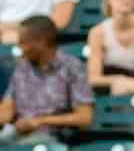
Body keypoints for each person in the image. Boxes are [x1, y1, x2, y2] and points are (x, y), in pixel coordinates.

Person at [0, 16, 92, 144]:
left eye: (23, 42)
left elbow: (84, 118)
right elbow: (6, 110)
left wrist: (39, 121)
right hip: (18, 133)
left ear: (42, 41)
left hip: (54, 137)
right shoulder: (22, 68)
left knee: (24, 148)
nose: (19, 48)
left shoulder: (72, 67)